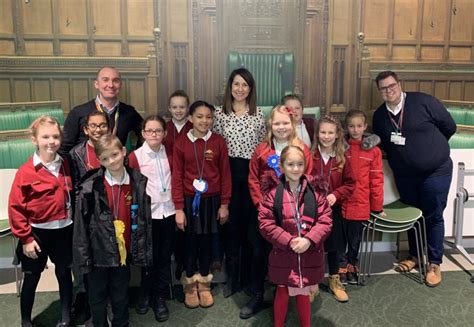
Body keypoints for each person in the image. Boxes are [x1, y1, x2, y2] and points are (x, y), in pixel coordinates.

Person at [372, 71, 456, 287]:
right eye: (383, 88)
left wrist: (430, 150)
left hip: (436, 172)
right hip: (406, 177)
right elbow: (385, 144)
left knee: (433, 216)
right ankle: (415, 256)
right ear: (379, 91)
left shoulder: (423, 101)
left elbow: (449, 126)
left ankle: (435, 262)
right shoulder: (380, 116)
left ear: (399, 84)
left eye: (392, 85)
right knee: (414, 218)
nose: (389, 90)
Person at [73, 134, 153, 326]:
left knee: (121, 295)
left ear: (124, 152)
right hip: (98, 254)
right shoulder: (89, 187)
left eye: (115, 155)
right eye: (105, 158)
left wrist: (142, 249)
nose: (112, 161)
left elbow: (144, 220)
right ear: (99, 160)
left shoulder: (138, 181)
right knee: (97, 298)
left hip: (122, 255)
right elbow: (80, 229)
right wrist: (84, 259)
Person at [247, 105, 312, 318]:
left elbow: (308, 179)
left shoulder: (302, 149)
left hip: (292, 216)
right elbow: (253, 179)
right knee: (259, 254)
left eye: (285, 122)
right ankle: (256, 295)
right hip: (266, 216)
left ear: (292, 124)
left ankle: (283, 295)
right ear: (270, 125)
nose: (281, 127)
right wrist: (261, 206)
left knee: (286, 256)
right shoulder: (262, 150)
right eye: (277, 123)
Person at [9, 116, 74, 327]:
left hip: (64, 230)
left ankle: (65, 317)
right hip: (36, 234)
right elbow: (16, 208)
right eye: (45, 136)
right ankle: (26, 320)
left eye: (55, 136)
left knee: (64, 273)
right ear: (34, 139)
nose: (51, 141)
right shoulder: (26, 171)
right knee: (32, 277)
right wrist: (26, 238)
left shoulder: (65, 164)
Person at [258, 145, 332, 327]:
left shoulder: (316, 193)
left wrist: (309, 240)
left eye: (300, 164)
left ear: (305, 166)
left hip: (309, 253)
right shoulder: (273, 195)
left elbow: (325, 221)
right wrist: (289, 241)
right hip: (283, 254)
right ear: (282, 167)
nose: (296, 168)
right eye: (290, 164)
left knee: (303, 291)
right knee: (282, 291)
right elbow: (266, 224)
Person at [212, 68, 266, 304]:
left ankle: (247, 278)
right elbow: (214, 148)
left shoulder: (259, 114)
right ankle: (232, 278)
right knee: (231, 230)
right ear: (230, 87)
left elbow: (265, 148)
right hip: (228, 177)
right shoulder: (219, 114)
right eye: (236, 84)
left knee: (249, 232)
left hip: (252, 179)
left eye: (245, 85)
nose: (240, 89)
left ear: (251, 88)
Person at [171, 100, 231, 309]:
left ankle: (204, 281)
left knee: (206, 241)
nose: (204, 121)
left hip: (211, 201)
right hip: (188, 202)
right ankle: (189, 283)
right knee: (189, 242)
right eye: (199, 116)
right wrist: (179, 208)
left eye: (208, 117)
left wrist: (224, 204)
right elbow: (177, 176)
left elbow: (225, 174)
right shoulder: (181, 143)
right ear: (190, 118)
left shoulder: (218, 142)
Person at [128, 115, 174, 322]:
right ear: (143, 133)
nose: (154, 134)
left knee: (164, 258)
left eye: (158, 131)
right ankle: (145, 293)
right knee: (148, 259)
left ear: (165, 133)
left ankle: (160, 298)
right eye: (150, 131)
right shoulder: (135, 157)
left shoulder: (171, 153)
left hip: (170, 212)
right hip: (149, 216)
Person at [311, 115, 355, 302]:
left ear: (337, 135)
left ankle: (335, 280)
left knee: (335, 246)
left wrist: (335, 195)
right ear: (317, 134)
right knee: (313, 246)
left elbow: (351, 183)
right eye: (323, 132)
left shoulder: (342, 158)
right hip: (312, 211)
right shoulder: (310, 156)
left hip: (334, 210)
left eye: (330, 132)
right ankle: (312, 283)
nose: (326, 136)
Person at [341, 109, 384, 284]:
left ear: (365, 126)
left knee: (355, 239)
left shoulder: (373, 151)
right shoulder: (341, 148)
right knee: (340, 239)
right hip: (342, 202)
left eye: (359, 126)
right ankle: (341, 267)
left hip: (361, 203)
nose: (356, 130)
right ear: (347, 127)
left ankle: (352, 266)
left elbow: (377, 180)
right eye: (352, 126)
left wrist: (377, 207)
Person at [60, 66, 143, 154]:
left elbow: (146, 134)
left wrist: (134, 157)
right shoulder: (77, 113)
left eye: (115, 80)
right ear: (96, 84)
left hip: (115, 164)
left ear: (120, 85)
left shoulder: (129, 112)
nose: (111, 85)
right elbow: (65, 147)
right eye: (105, 80)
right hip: (86, 166)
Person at [69, 111, 110, 186]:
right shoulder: (76, 153)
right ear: (86, 130)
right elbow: (75, 184)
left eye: (103, 125)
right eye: (93, 125)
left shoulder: (116, 151)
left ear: (109, 129)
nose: (98, 130)